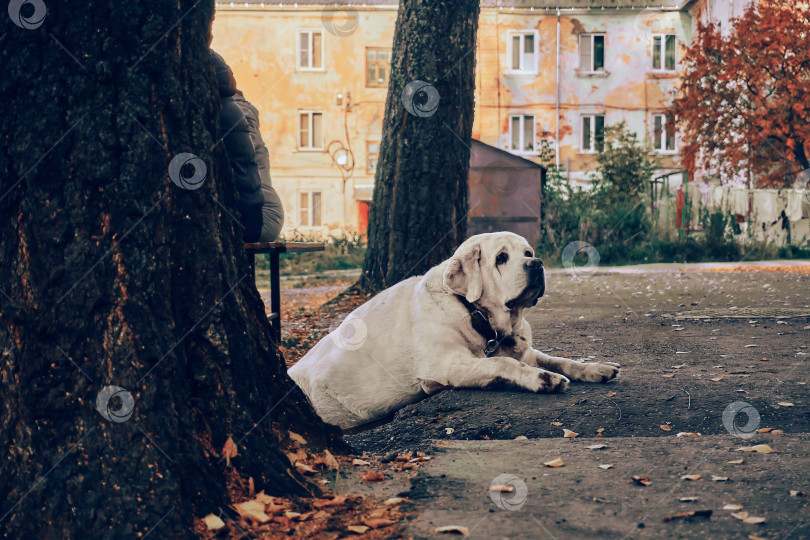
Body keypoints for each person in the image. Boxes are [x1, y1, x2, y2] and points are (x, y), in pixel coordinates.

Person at [210, 50, 284, 242]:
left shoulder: (230, 115)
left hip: (262, 216)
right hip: (262, 211)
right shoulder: (238, 108)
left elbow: (241, 177)